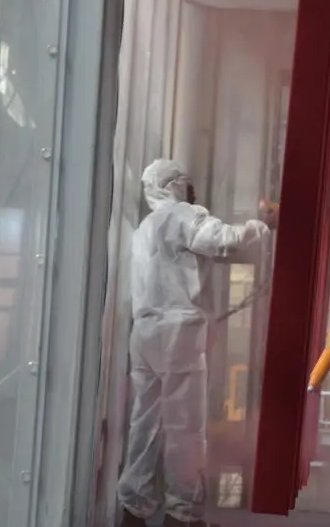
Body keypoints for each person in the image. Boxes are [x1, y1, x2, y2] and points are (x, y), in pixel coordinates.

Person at [119, 159, 278, 527]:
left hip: (144, 335)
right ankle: (183, 514)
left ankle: (134, 508)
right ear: (176, 185)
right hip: (179, 335)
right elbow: (224, 241)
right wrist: (264, 225)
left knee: (145, 423)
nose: (193, 191)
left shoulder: (146, 227)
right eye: (187, 185)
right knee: (184, 427)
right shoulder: (181, 215)